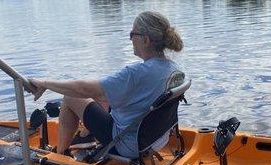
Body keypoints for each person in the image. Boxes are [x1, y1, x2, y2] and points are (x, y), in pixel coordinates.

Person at [29, 11, 184, 157]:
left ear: (145, 40)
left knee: (71, 96)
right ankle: (85, 136)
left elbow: (82, 89)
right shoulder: (174, 69)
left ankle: (60, 155)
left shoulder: (137, 73)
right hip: (156, 140)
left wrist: (45, 84)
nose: (130, 39)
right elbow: (100, 92)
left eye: (132, 34)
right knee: (101, 97)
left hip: (127, 143)